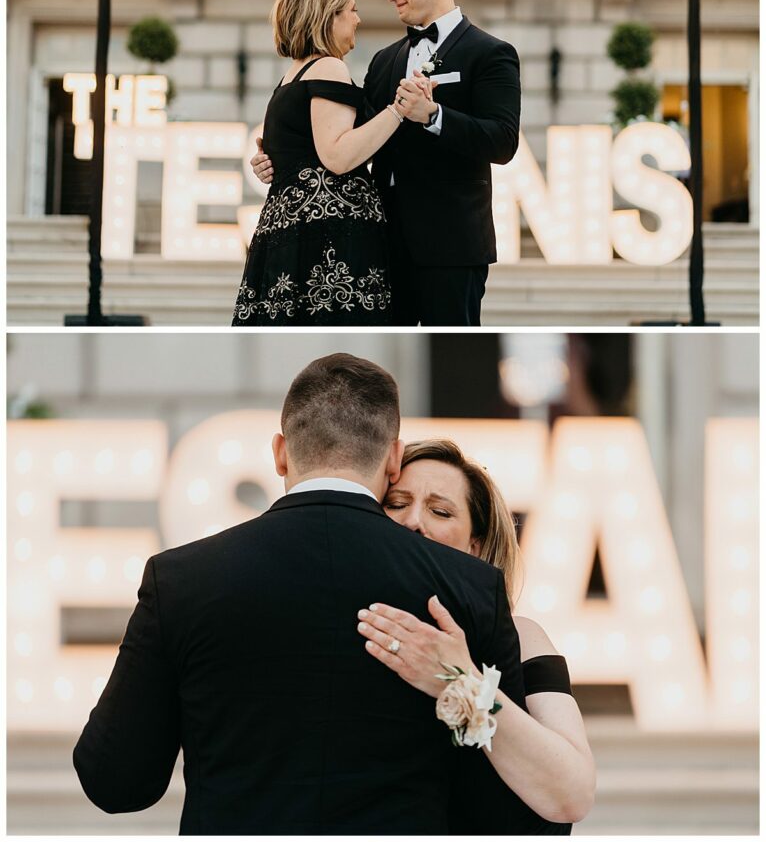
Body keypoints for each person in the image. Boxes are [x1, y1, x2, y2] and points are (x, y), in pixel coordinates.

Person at [73, 353, 532, 834]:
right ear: (394, 459)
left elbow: (115, 780)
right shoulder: (470, 587)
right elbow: (505, 806)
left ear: (280, 451)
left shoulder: (182, 578)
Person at [252, 0, 521, 326]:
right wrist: (280, 155)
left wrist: (433, 115)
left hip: (450, 243)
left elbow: (503, 141)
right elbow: (346, 135)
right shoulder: (383, 60)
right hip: (375, 241)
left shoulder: (490, 52)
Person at [358, 439, 596, 832]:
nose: (414, 520)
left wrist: (461, 683)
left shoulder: (524, 639)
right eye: (396, 503)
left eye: (440, 510)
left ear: (476, 546)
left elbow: (572, 793)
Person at [231, 0, 406, 326]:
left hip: (289, 232)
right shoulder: (328, 67)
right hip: (329, 239)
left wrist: (267, 162)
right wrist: (399, 110)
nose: (358, 19)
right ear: (329, 16)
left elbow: (295, 153)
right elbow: (338, 156)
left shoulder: (289, 77)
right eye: (352, 10)